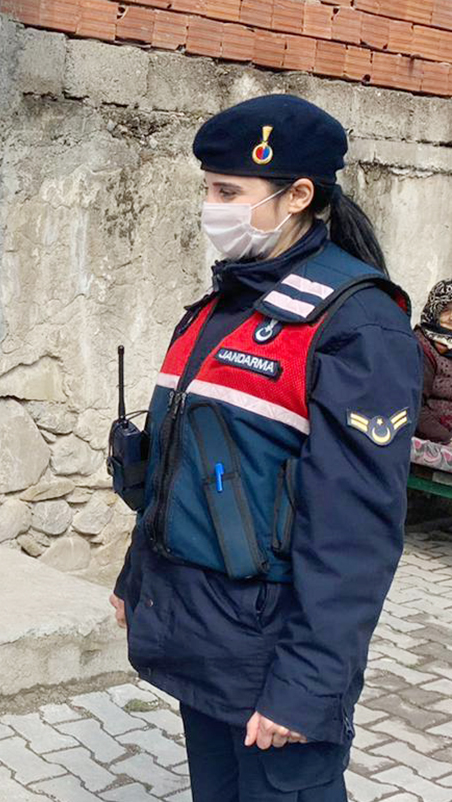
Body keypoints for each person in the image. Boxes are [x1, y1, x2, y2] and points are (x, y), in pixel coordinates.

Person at [109, 95, 421, 801]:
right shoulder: (222, 308)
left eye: (227, 192)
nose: (209, 207)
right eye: (206, 188)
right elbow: (177, 467)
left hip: (276, 663)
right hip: (205, 643)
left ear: (299, 195)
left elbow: (354, 534)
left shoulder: (356, 327)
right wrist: (138, 577)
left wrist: (305, 687)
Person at [415, 279, 452, 443]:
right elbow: (414, 407)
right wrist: (448, 439)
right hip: (433, 446)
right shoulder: (422, 346)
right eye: (447, 309)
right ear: (434, 309)